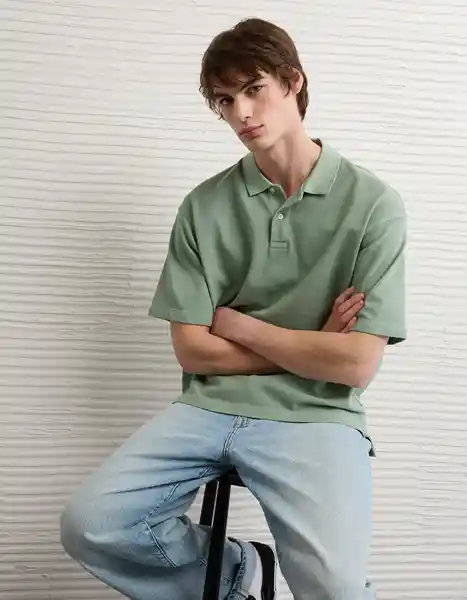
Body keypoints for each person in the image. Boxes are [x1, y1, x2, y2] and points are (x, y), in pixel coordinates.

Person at [60, 17, 407, 600]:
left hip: (318, 413)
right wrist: (312, 344)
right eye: (225, 100)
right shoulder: (203, 206)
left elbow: (354, 366)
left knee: (337, 589)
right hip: (210, 406)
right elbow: (193, 350)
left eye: (254, 89)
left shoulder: (374, 205)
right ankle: (236, 573)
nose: (241, 113)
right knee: (90, 524)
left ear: (293, 82)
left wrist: (240, 325)